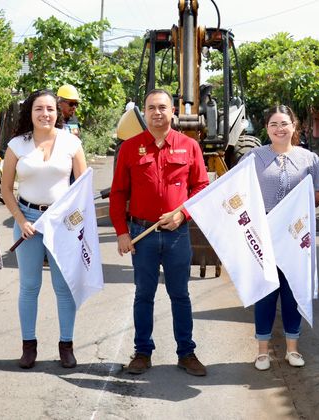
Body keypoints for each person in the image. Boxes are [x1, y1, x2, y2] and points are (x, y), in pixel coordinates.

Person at [109, 89, 210, 377]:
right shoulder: (129, 148)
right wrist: (121, 232)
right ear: (144, 111)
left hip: (177, 234)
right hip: (142, 234)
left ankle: (186, 353)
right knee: (144, 295)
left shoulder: (189, 146)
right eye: (151, 107)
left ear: (172, 111)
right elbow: (118, 194)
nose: (157, 112)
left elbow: (201, 187)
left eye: (162, 107)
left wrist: (182, 214)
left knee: (180, 294)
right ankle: (142, 352)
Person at [1, 89, 88, 369]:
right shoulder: (17, 145)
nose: (45, 114)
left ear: (58, 112)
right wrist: (21, 220)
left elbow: (82, 188)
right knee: (29, 287)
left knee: (63, 288)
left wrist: (71, 223)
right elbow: (5, 189)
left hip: (61, 222)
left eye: (50, 109)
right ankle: (29, 347)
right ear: (30, 112)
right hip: (28, 218)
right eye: (39, 108)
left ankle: (66, 345)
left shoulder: (71, 143)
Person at [243, 105, 319, 371]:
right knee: (265, 292)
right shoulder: (253, 157)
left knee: (292, 291)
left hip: (295, 234)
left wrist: (297, 206)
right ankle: (262, 351)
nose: (279, 129)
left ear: (294, 126)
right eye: (274, 124)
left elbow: (318, 196)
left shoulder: (309, 159)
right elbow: (240, 192)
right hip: (264, 234)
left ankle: (293, 348)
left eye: (284, 123)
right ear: (267, 129)